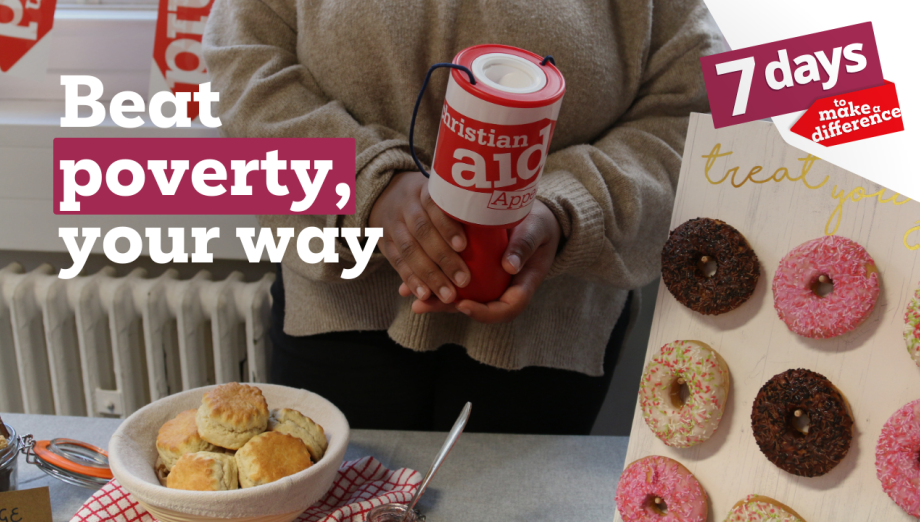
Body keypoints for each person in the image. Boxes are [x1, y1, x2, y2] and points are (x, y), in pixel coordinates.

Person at [203, 0, 726, 434]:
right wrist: (368, 179)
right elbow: (243, 60)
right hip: (338, 305)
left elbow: (696, 107)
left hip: (549, 329)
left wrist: (568, 204)